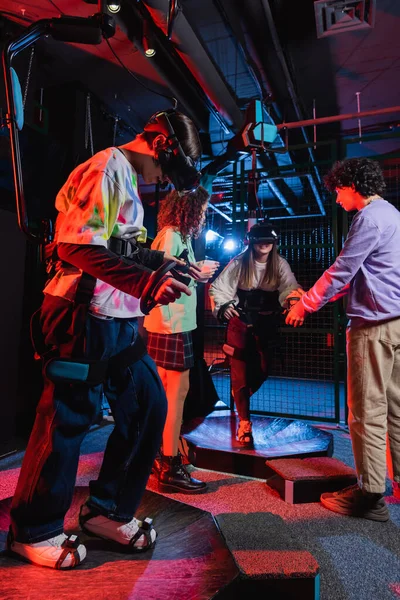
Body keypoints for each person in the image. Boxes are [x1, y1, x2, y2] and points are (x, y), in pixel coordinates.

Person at [8, 109, 202, 569]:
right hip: (80, 314)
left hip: (116, 318)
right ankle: (32, 530)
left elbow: (119, 245)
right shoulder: (106, 167)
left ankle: (106, 512)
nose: (163, 180)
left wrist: (160, 264)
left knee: (149, 405)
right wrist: (146, 284)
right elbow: (76, 246)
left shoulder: (125, 178)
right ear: (161, 145)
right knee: (68, 419)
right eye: (166, 169)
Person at [285, 157, 400, 521]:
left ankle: (369, 496)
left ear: (351, 186)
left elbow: (343, 270)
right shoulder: (393, 215)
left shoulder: (367, 218)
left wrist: (305, 304)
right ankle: (396, 484)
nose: (336, 199)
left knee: (365, 412)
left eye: (337, 191)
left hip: (373, 328)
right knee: (395, 411)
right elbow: (365, 273)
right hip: (397, 323)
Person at [144, 185, 219, 493]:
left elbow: (175, 273)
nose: (203, 215)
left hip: (172, 323)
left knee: (169, 394)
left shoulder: (178, 235)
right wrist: (197, 272)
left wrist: (198, 274)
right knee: (175, 393)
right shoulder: (172, 235)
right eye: (201, 209)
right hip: (169, 324)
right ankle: (169, 464)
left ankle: (164, 456)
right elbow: (160, 275)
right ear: (188, 209)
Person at [209, 222, 303, 446]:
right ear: (251, 242)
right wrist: (223, 306)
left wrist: (292, 300)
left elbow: (290, 286)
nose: (264, 245)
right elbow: (220, 287)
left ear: (274, 243)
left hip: (267, 323)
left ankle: (240, 395)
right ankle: (244, 422)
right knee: (240, 371)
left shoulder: (279, 264)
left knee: (263, 368)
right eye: (260, 241)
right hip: (240, 322)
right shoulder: (240, 262)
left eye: (269, 241)